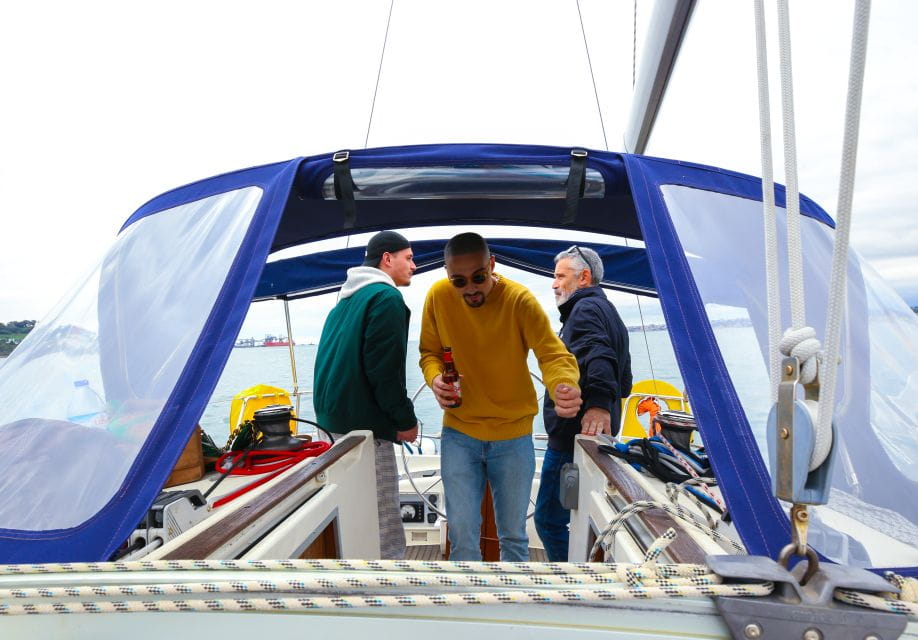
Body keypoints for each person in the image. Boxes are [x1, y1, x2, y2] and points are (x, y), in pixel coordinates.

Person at [420, 232, 582, 561]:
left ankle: (512, 595)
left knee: (513, 537)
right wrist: (435, 378)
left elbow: (552, 355)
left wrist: (563, 384)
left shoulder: (519, 300)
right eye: (459, 281)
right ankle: (466, 594)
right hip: (459, 433)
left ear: (492, 265)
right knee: (462, 536)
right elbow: (429, 353)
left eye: (478, 277)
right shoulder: (437, 296)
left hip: (513, 436)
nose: (470, 288)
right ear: (448, 275)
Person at [313, 230, 420, 560]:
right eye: (409, 258)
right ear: (387, 259)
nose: (414, 266)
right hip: (366, 432)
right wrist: (404, 421)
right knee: (382, 519)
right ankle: (392, 580)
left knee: (351, 514)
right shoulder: (386, 298)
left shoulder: (344, 302)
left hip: (331, 429)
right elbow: (385, 372)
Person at [535, 245, 632, 562]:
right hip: (596, 440)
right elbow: (625, 381)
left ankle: (568, 580)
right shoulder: (609, 312)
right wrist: (605, 403)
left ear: (584, 277)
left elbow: (598, 355)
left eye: (560, 276)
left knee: (548, 521)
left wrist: (598, 404)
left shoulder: (584, 310)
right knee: (581, 518)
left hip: (571, 440)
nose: (554, 284)